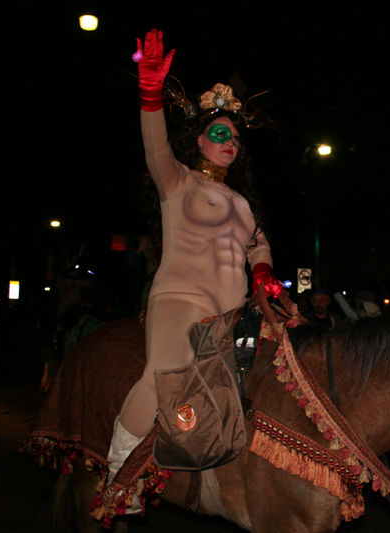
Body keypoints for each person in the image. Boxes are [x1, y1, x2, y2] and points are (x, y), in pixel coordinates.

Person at [105, 29, 281, 506]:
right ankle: (117, 476)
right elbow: (154, 143)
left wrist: (263, 273)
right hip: (181, 299)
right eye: (221, 134)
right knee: (162, 373)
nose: (231, 143)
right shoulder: (177, 181)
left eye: (236, 139)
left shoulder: (243, 202)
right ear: (199, 140)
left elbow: (259, 245)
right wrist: (150, 93)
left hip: (232, 312)